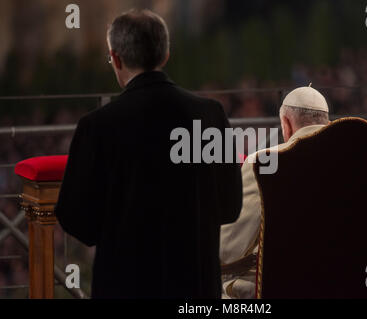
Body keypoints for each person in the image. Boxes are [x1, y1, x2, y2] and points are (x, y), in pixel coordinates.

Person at [55, 9, 242, 298]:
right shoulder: (210, 115)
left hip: (125, 287)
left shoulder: (96, 126)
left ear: (116, 59)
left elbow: (76, 220)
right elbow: (229, 206)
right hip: (196, 289)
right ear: (165, 55)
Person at [220, 86, 330, 299]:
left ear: (286, 124)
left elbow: (228, 250)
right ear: (328, 123)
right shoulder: (357, 163)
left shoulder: (263, 164)